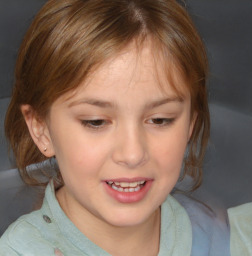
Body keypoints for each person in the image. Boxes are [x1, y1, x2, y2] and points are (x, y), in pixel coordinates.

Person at [0, 0, 230, 255]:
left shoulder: (220, 235)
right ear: (41, 129)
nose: (132, 154)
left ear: (190, 123)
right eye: (96, 122)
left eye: (160, 119)